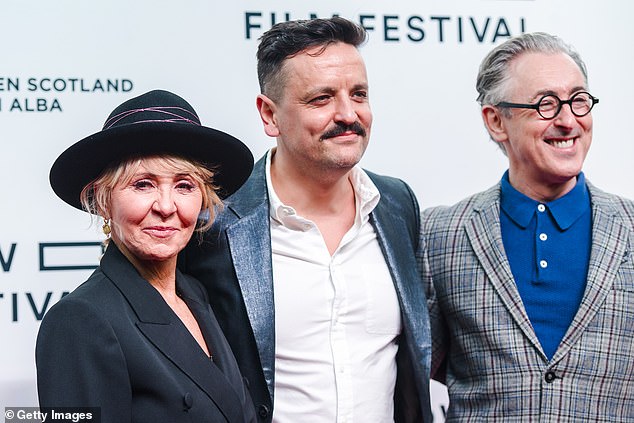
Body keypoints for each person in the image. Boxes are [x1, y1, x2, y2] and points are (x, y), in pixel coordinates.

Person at [179, 17, 432, 423]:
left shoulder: (397, 204)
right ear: (269, 115)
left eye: (359, 94)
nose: (348, 114)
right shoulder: (214, 223)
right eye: (321, 99)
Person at [420, 32, 634, 421]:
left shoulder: (631, 228)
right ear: (496, 120)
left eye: (579, 101)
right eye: (546, 104)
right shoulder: (438, 234)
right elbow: (409, 372)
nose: (568, 121)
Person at [36, 89, 257, 423]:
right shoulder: (78, 321)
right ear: (103, 199)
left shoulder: (196, 294)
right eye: (143, 184)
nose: (166, 207)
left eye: (184, 186)